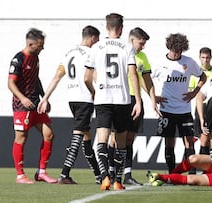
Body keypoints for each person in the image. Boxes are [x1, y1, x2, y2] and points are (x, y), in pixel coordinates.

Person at [84, 13, 142, 191]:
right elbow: (133, 73)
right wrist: (138, 101)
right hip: (122, 100)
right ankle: (117, 180)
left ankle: (104, 177)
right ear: (122, 28)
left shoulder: (96, 47)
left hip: (103, 99)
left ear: (106, 27)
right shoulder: (127, 46)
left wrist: (95, 92)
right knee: (121, 141)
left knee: (102, 140)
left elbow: (86, 78)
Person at [37, 25, 101, 184]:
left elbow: (57, 77)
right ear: (92, 38)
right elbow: (94, 76)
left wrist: (45, 97)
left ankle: (99, 176)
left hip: (72, 98)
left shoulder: (69, 53)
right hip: (85, 98)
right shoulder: (91, 53)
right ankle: (65, 174)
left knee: (86, 136)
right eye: (97, 40)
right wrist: (98, 91)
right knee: (79, 134)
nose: (97, 43)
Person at [108, 27, 161, 186]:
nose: (143, 46)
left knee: (130, 139)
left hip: (135, 101)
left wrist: (152, 98)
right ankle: (111, 172)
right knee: (115, 138)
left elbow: (146, 80)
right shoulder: (120, 51)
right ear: (132, 40)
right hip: (119, 100)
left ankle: (127, 174)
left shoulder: (142, 57)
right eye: (141, 43)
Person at [7, 28, 57, 184]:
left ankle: (41, 172)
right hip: (22, 106)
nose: (43, 48)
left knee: (49, 134)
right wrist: (22, 98)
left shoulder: (35, 59)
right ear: (31, 43)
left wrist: (44, 98)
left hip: (35, 104)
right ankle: (20, 175)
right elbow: (10, 83)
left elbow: (36, 79)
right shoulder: (18, 59)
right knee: (21, 137)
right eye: (40, 45)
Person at [152, 33, 207, 174]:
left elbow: (203, 76)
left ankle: (191, 173)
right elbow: (144, 80)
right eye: (175, 51)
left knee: (189, 141)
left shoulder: (188, 62)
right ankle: (172, 173)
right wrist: (153, 97)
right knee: (169, 142)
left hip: (184, 110)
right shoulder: (159, 63)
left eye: (180, 51)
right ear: (169, 48)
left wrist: (194, 92)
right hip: (166, 110)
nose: (177, 54)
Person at [189, 47, 212, 155]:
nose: (205, 60)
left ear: (211, 58)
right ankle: (203, 167)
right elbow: (191, 91)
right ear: (199, 58)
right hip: (202, 107)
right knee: (204, 138)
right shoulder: (195, 73)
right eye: (203, 57)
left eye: (207, 57)